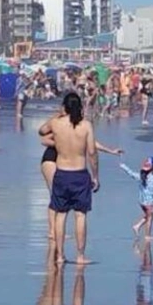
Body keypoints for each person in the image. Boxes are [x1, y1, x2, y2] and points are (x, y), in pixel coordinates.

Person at [38, 93, 99, 265]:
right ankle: (80, 255)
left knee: (60, 214)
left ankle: (60, 255)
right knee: (80, 216)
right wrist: (96, 176)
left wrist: (58, 115)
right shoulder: (86, 125)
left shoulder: (56, 123)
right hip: (79, 173)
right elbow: (92, 153)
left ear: (64, 107)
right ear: (80, 107)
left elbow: (42, 130)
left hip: (62, 173)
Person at [120, 157, 153, 241]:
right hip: (150, 203)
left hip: (141, 202)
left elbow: (131, 173)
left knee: (147, 215)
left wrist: (123, 166)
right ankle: (147, 235)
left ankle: (137, 226)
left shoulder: (141, 176)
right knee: (150, 218)